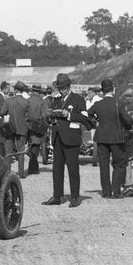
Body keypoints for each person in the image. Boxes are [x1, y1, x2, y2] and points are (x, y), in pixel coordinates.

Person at [41, 74, 90, 208]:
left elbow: (84, 118)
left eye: (63, 88)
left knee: (73, 169)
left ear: (69, 87)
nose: (61, 91)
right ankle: (57, 196)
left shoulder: (78, 100)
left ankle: (75, 197)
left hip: (71, 138)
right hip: (57, 137)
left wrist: (68, 115)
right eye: (59, 88)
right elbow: (51, 116)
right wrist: (50, 116)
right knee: (57, 169)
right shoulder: (56, 100)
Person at [85, 79, 132, 198]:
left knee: (104, 166)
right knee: (119, 164)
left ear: (102, 91)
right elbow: (127, 119)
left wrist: (95, 123)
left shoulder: (98, 104)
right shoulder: (119, 103)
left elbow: (87, 114)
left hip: (101, 138)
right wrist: (128, 126)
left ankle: (106, 192)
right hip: (116, 138)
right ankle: (116, 191)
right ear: (113, 89)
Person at [1, 81, 31, 178]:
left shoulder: (8, 100)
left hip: (9, 127)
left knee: (8, 151)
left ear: (15, 90)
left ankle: (8, 172)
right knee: (21, 151)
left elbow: (2, 112)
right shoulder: (26, 101)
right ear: (22, 91)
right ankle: (21, 173)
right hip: (22, 128)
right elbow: (29, 115)